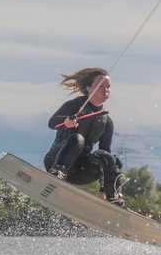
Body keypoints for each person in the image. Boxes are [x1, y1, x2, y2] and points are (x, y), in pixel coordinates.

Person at [43, 67, 126, 206]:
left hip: (79, 171)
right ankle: (56, 175)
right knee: (77, 139)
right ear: (89, 88)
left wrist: (102, 187)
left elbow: (105, 150)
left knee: (109, 158)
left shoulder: (106, 121)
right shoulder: (76, 105)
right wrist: (66, 121)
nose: (106, 90)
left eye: (108, 87)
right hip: (56, 160)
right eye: (101, 86)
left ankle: (112, 198)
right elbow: (51, 123)